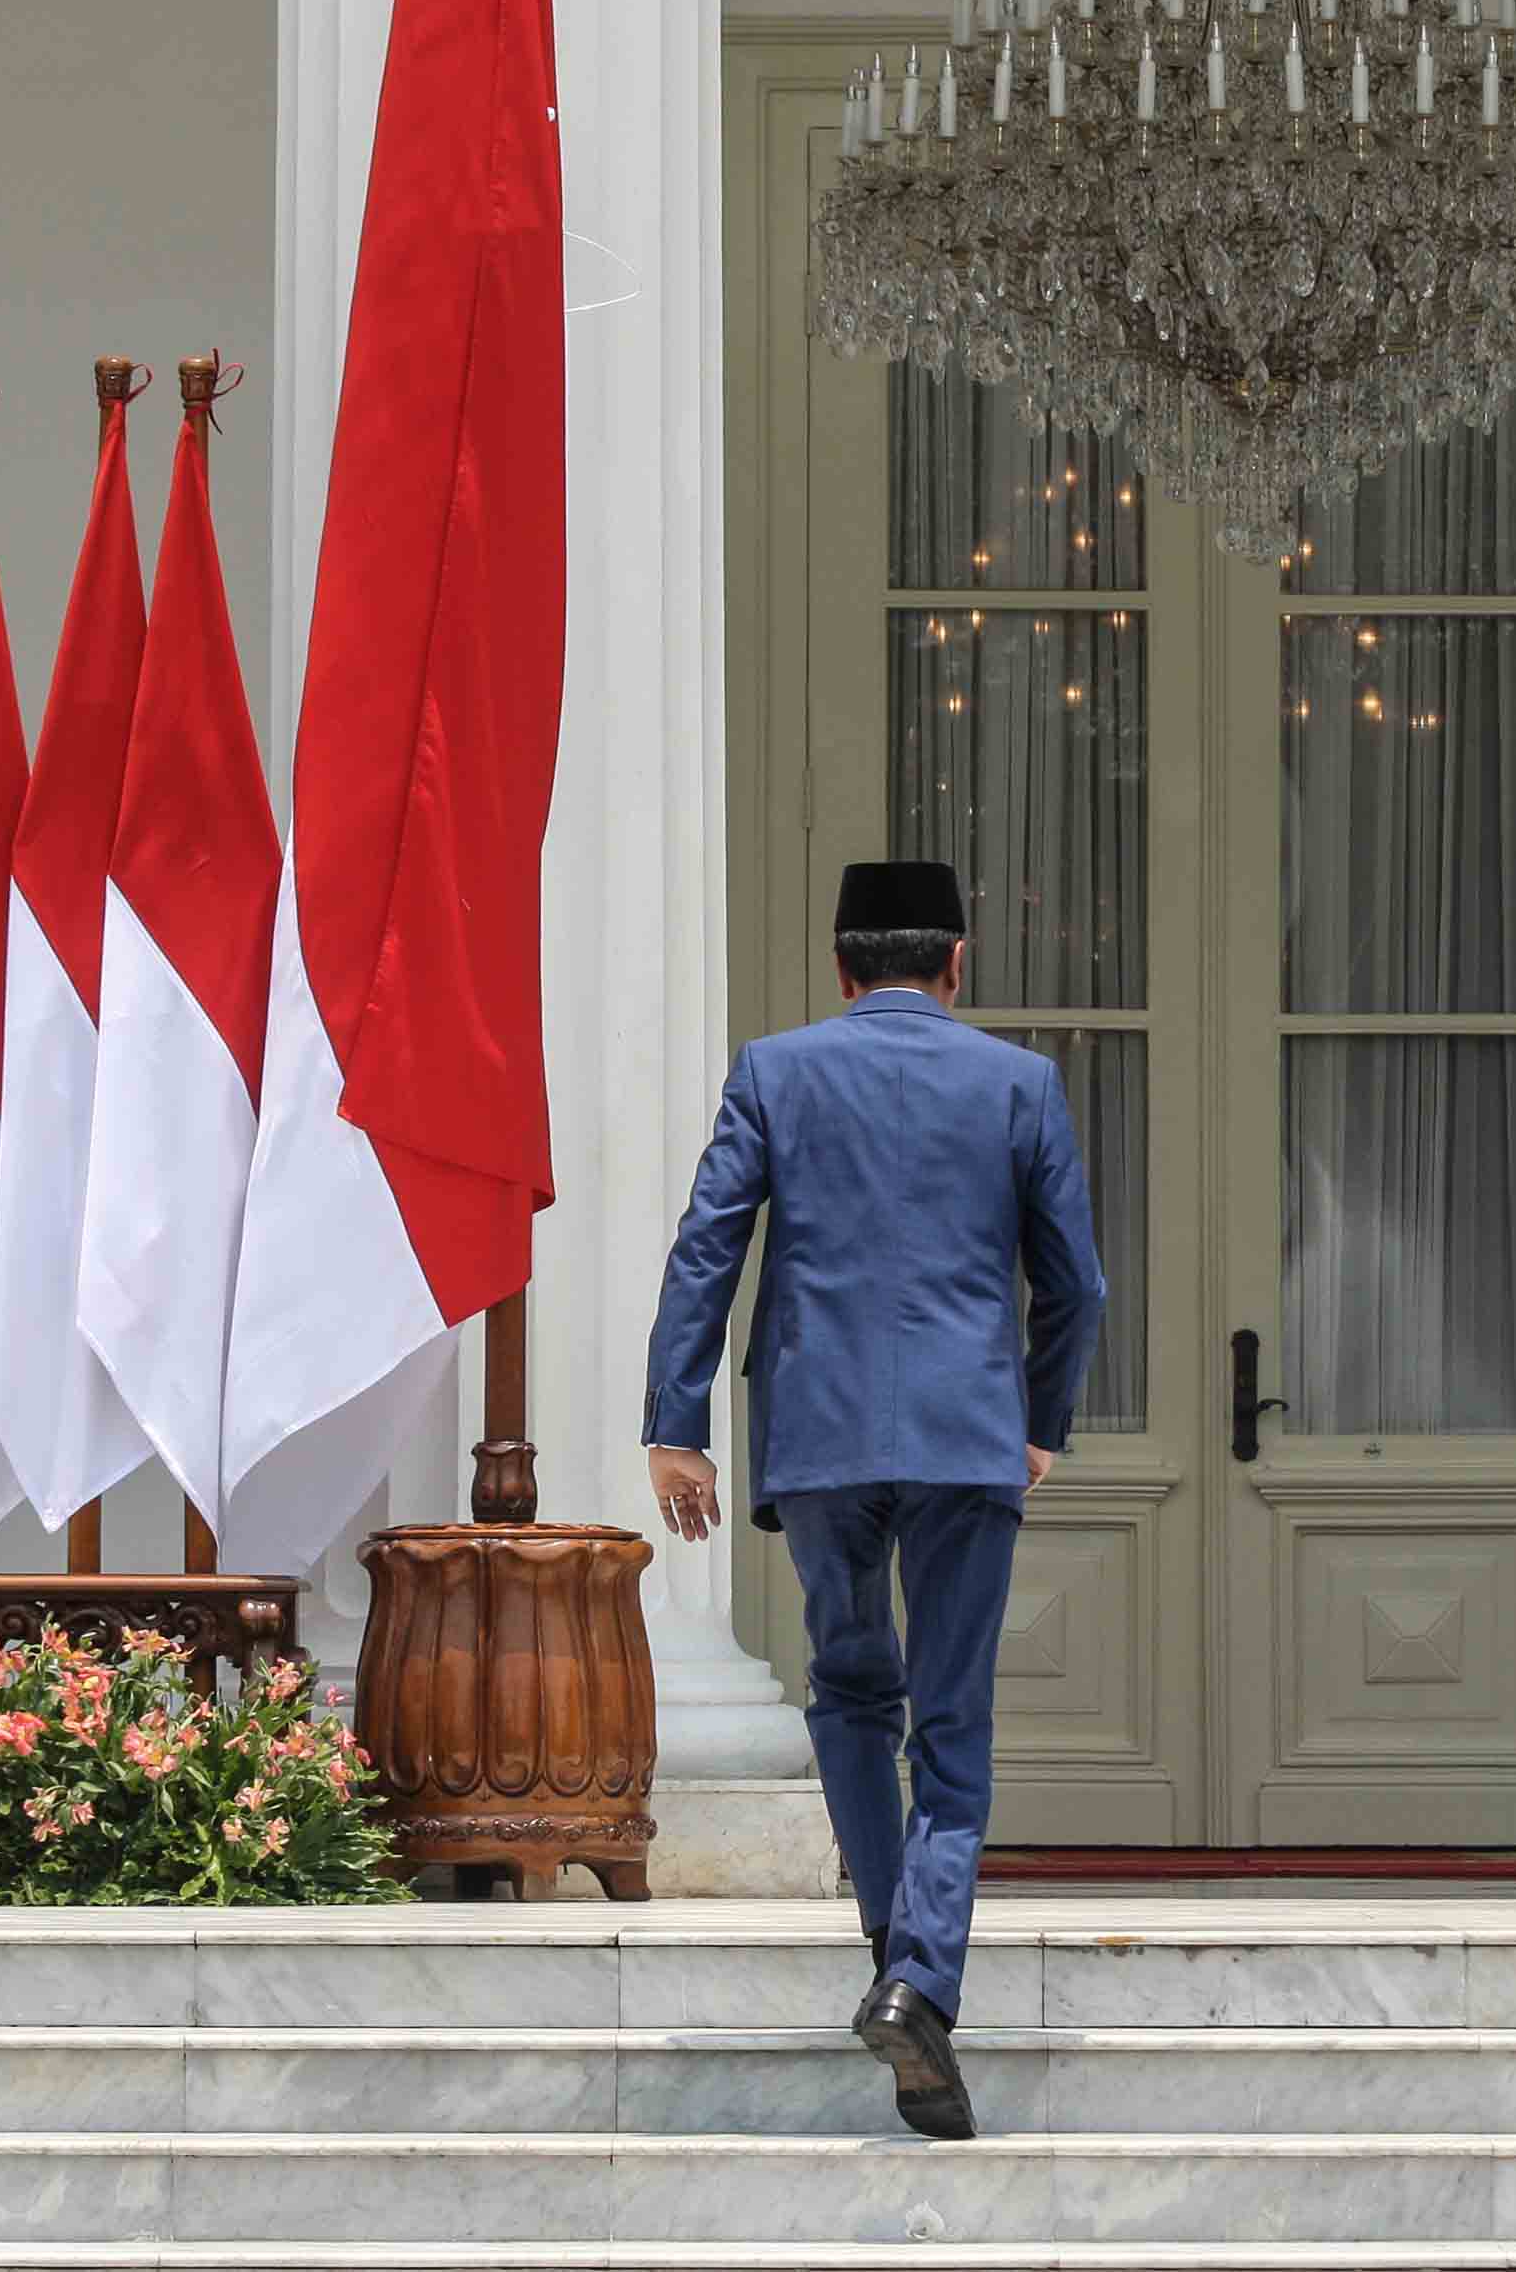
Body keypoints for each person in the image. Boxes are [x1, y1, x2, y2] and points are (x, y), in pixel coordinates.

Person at [642, 858, 1105, 2141]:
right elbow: (1076, 1283)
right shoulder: (1019, 1081)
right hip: (967, 1433)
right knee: (950, 1722)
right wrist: (1041, 1422)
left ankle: (893, 1956)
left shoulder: (774, 1069)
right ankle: (918, 1976)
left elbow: (707, 1245)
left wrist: (676, 1426)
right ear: (956, 964)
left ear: (841, 970)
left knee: (851, 1690)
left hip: (821, 1432)